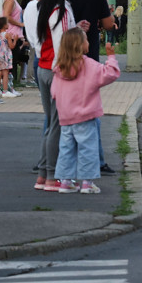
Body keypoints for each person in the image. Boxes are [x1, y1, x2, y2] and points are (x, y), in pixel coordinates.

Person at [25, 0, 81, 191]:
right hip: (59, 71)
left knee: (52, 124)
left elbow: (46, 40)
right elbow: (62, 45)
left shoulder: (45, 6)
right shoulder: (62, 9)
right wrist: (70, 72)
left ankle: (43, 174)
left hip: (45, 69)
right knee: (58, 125)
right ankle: (53, 177)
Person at [50, 28, 119, 194]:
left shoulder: (60, 67)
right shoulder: (88, 65)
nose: (88, 42)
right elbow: (110, 74)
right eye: (86, 39)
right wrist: (111, 57)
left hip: (66, 117)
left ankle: (66, 181)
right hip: (85, 116)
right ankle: (87, 183)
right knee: (88, 149)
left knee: (66, 149)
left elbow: (53, 92)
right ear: (81, 45)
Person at [1, 0, 25, 94]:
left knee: (14, 61)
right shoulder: (10, 0)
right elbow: (6, 16)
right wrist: (20, 23)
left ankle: (11, 86)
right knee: (11, 62)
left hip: (14, 35)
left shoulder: (12, 0)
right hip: (11, 35)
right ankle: (9, 87)